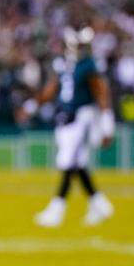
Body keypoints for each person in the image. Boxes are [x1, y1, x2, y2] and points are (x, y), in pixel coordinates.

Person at [28, 27, 116, 227]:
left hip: (82, 117)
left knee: (68, 161)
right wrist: (32, 105)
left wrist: (106, 124)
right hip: (64, 117)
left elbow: (101, 93)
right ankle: (99, 203)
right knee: (77, 163)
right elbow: (52, 88)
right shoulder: (64, 64)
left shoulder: (89, 65)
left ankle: (57, 208)